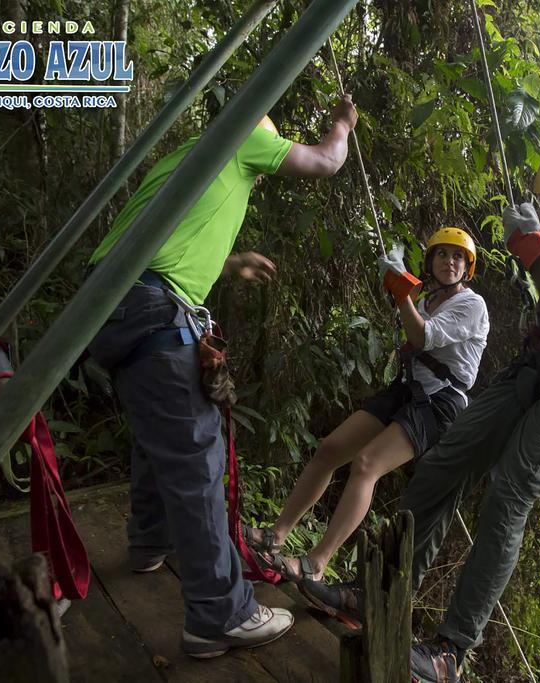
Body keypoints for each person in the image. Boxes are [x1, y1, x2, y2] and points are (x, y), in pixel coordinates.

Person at [303, 155, 540, 682]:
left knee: (508, 493)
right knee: (441, 464)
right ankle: (377, 593)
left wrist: (533, 254)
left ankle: (449, 652)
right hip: (528, 380)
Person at [85, 96, 358, 659]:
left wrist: (231, 264)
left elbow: (168, 240)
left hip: (110, 304)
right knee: (197, 453)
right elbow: (327, 162)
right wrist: (341, 126)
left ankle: (147, 543)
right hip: (155, 307)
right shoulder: (242, 138)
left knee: (156, 429)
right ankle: (220, 614)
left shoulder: (186, 160)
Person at [242, 228, 490, 624]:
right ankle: (277, 535)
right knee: (329, 449)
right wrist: (406, 295)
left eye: (458, 257)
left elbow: (422, 337)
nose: (450, 262)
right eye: (442, 255)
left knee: (366, 464)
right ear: (431, 262)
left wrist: (400, 294)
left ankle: (316, 562)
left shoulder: (471, 304)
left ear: (468, 267)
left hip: (440, 403)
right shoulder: (426, 300)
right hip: (408, 389)